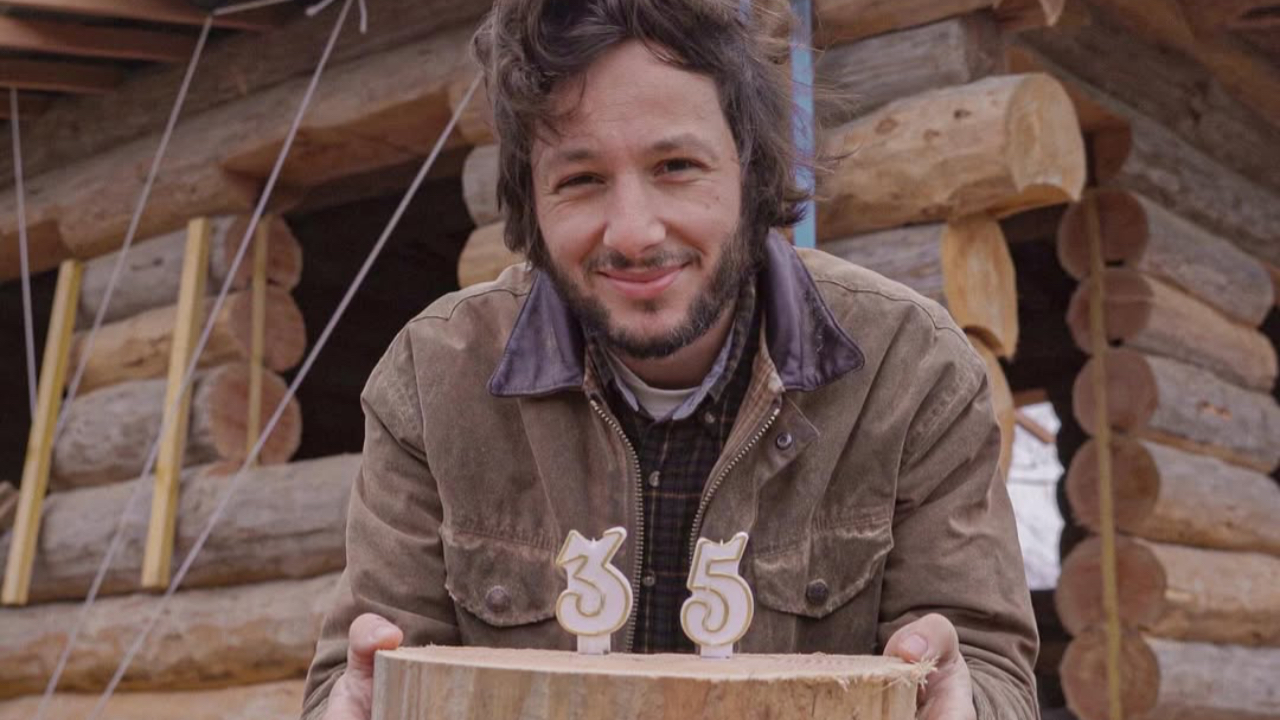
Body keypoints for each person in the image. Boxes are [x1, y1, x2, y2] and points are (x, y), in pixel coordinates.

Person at [302, 0, 1039, 718]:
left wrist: (966, 703)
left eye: (677, 165)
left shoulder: (910, 372)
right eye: (581, 179)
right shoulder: (433, 383)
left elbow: (988, 668)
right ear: (530, 199)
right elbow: (353, 679)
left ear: (750, 171)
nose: (632, 231)